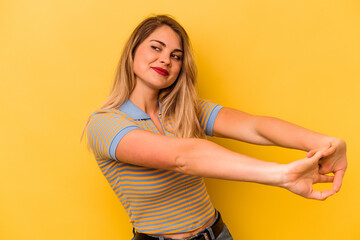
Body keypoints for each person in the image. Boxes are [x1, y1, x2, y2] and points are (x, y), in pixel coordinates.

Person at [84, 14, 347, 240]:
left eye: (176, 56)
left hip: (217, 233)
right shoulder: (104, 124)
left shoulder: (187, 110)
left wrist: (325, 142)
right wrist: (281, 174)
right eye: (156, 48)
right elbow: (182, 157)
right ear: (132, 52)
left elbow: (255, 126)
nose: (166, 60)